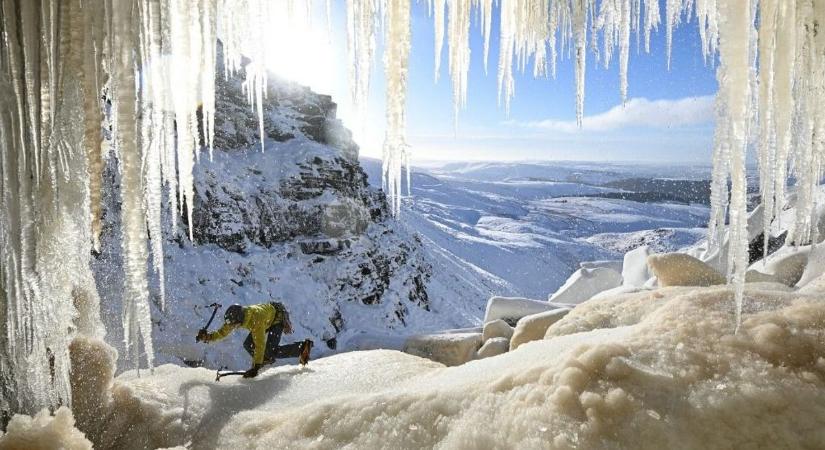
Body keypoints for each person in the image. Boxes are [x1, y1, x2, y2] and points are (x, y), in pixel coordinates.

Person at [197, 302, 313, 378]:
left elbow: (260, 344)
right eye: (232, 325)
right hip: (267, 318)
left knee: (270, 351)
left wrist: (256, 367)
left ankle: (302, 347)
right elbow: (223, 332)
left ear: (240, 319)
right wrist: (208, 337)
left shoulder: (255, 319)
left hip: (277, 318)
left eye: (234, 325)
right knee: (248, 345)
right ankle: (265, 360)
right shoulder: (236, 318)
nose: (233, 327)